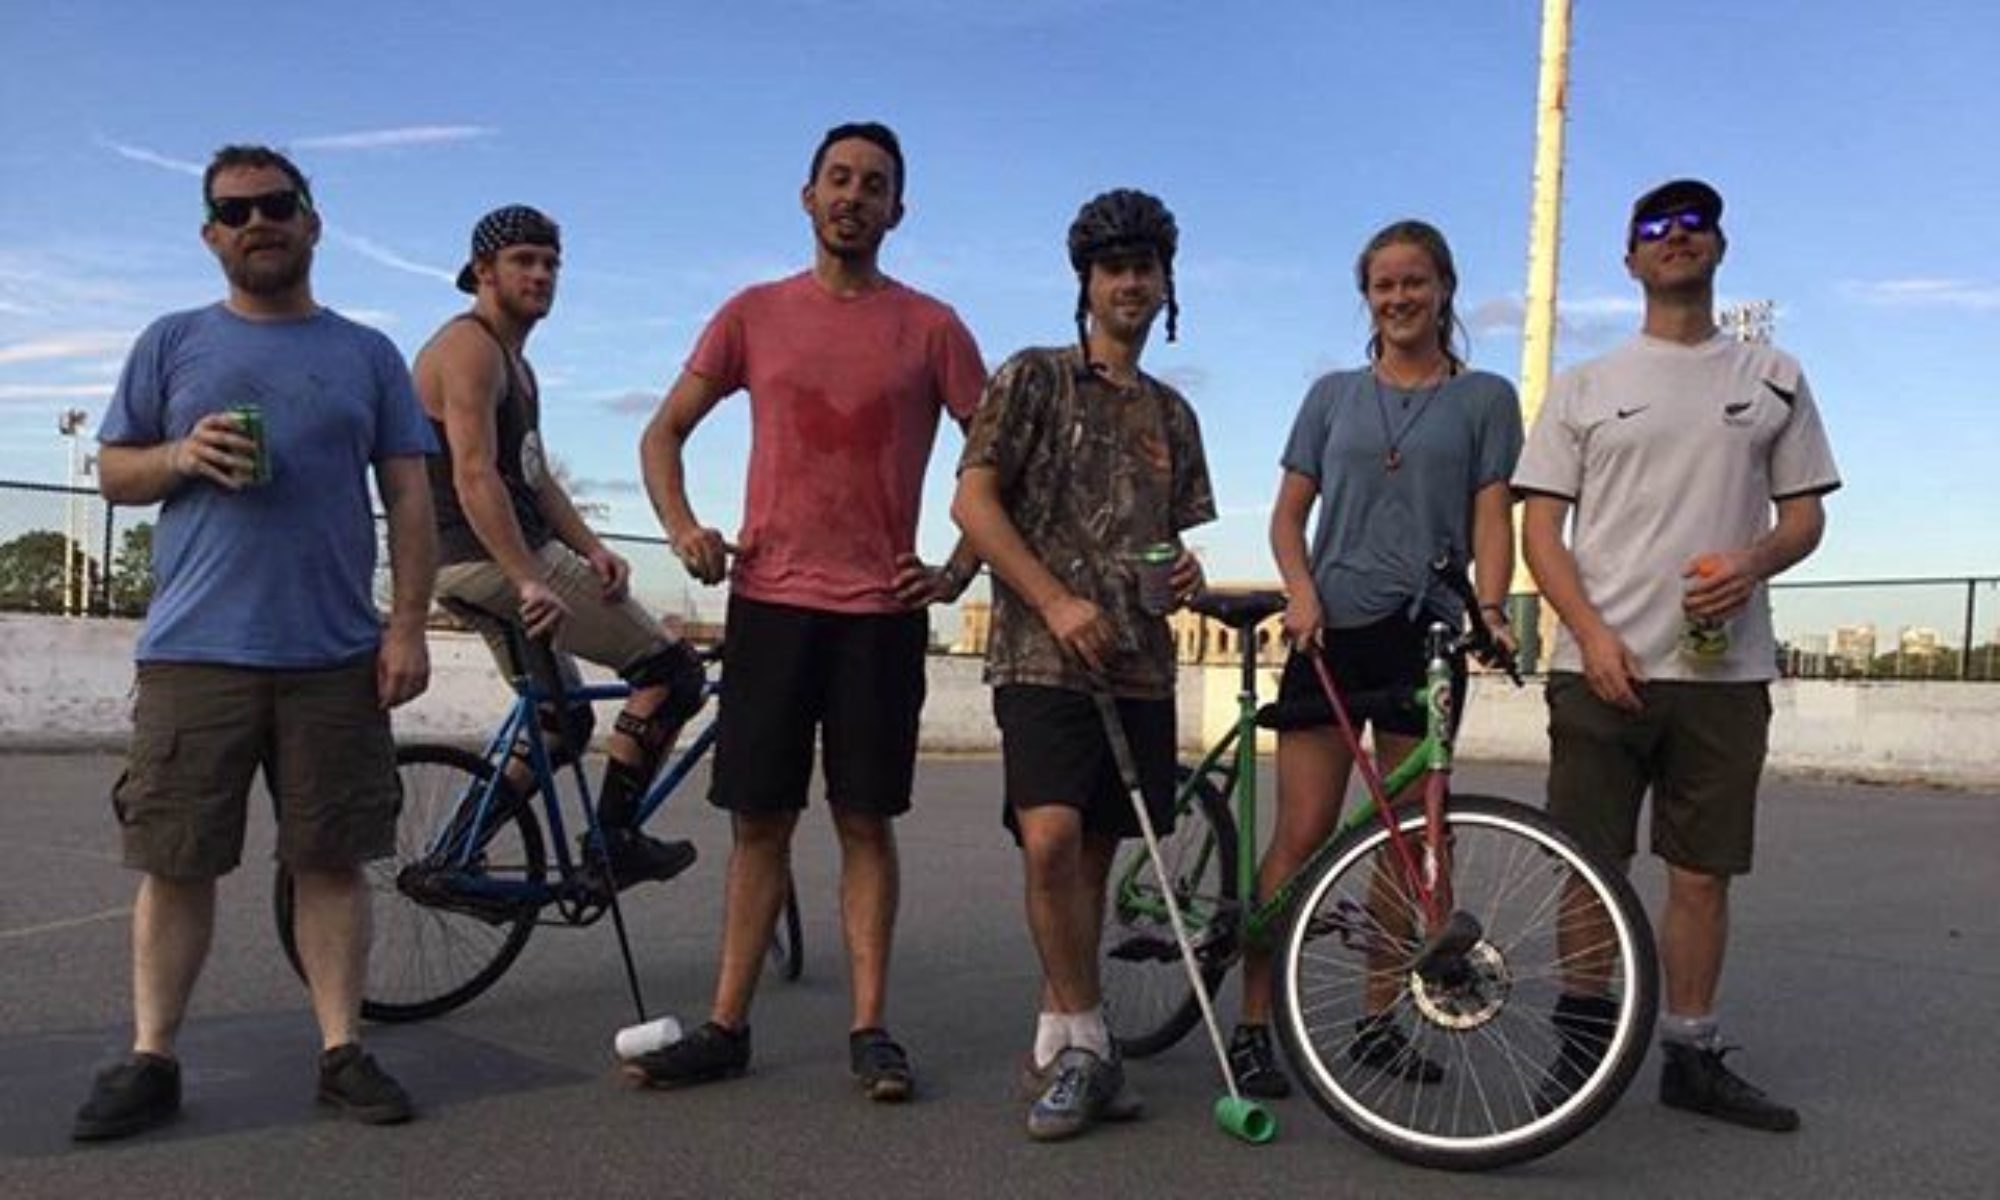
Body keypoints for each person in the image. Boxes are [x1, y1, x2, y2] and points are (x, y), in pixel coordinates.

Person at [74, 145, 438, 1141]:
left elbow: (408, 495)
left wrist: (405, 624)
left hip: (331, 654)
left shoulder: (367, 353)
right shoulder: (172, 341)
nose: (256, 223)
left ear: (314, 222)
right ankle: (152, 1057)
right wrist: (180, 456)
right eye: (233, 212)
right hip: (196, 649)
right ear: (210, 235)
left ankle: (341, 1050)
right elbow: (113, 474)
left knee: (331, 860)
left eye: (276, 205)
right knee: (178, 859)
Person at [631, 121, 985, 1100]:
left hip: (879, 614)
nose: (852, 197)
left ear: (895, 211)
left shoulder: (933, 327)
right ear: (806, 195)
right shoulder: (752, 312)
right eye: (837, 179)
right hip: (771, 606)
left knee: (864, 820)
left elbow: (1000, 458)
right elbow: (662, 434)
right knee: (761, 823)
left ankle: (869, 1028)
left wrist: (955, 569)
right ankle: (725, 1023)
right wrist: (684, 528)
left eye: (873, 185)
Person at [1513, 179, 1838, 1133]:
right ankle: (1576, 1056)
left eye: (1694, 224)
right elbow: (1541, 533)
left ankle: (1690, 1052)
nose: (1676, 237)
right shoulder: (1584, 387)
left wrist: (1752, 562)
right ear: (1629, 260)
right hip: (1600, 669)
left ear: (1719, 247)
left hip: (1722, 674)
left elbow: (1806, 515)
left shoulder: (1772, 375)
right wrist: (1593, 634)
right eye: (1655, 228)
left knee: (1702, 872)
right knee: (1588, 866)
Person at [1227, 220, 1522, 1099]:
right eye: (1383, 285)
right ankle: (1252, 1023)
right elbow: (1287, 517)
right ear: (1369, 297)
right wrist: (1300, 590)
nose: (1399, 299)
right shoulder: (1331, 396)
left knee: (1409, 845)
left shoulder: (1486, 399)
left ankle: (1377, 1022)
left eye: (1415, 283)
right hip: (1332, 631)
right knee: (1304, 831)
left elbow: (1489, 518)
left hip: (1426, 634)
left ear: (1445, 289)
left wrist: (1494, 609)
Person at [952, 188, 1213, 1141]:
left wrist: (1185, 573)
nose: (1131, 282)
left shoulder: (1174, 414)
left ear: (1165, 281)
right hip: (1040, 657)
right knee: (1051, 840)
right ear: (1087, 284)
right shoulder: (1032, 377)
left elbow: (1170, 542)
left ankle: (1058, 1042)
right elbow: (974, 505)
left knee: (1094, 860)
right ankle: (1092, 1042)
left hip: (1139, 666)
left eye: (1145, 266)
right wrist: (1056, 601)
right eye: (1114, 268)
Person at [414, 204, 707, 886]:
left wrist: (594, 549)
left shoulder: (517, 364)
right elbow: (473, 472)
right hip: (487, 558)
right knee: (672, 675)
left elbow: (536, 479)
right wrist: (526, 576)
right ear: (482, 272)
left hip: (475, 561)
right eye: (523, 260)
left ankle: (456, 855)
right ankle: (614, 841)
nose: (541, 274)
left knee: (562, 724)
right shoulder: (469, 349)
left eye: (551, 263)